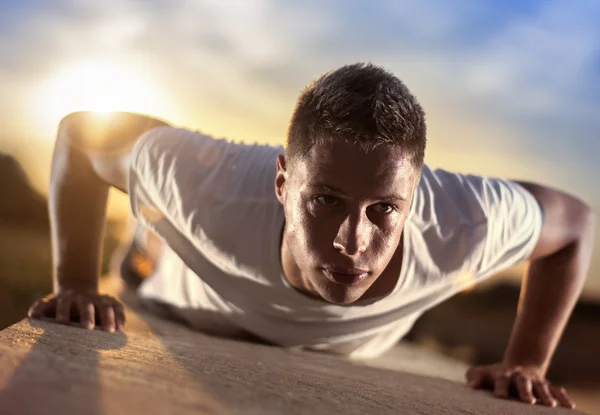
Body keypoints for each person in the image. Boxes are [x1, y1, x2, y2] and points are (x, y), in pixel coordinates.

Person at [28, 63, 595, 409]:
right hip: (183, 293)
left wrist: (527, 362)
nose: (353, 241)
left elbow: (576, 224)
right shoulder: (210, 182)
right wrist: (75, 280)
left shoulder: (464, 221)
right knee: (148, 259)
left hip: (344, 341)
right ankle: (146, 245)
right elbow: (80, 136)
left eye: (383, 210)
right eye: (325, 201)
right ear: (282, 181)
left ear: (415, 196)